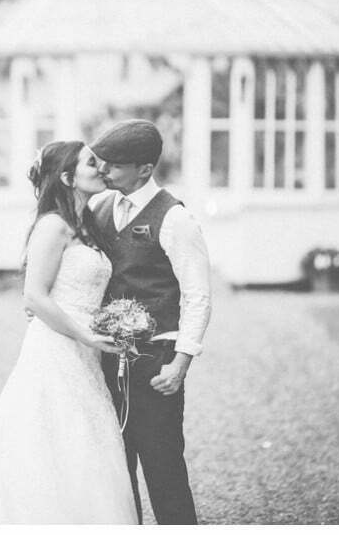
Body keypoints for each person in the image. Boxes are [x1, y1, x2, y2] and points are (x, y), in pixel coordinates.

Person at [0, 141, 137, 524]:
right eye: (91, 162)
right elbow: (36, 296)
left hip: (86, 354)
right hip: (56, 350)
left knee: (86, 444)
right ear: (66, 177)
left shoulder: (88, 224)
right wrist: (87, 336)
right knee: (43, 441)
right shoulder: (52, 226)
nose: (102, 167)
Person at [90, 119, 212, 525]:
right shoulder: (98, 208)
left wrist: (181, 363)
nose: (104, 170)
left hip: (156, 362)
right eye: (102, 162)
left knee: (163, 469)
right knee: (113, 470)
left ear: (144, 168)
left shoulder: (175, 219)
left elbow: (197, 296)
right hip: (105, 360)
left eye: (115, 164)